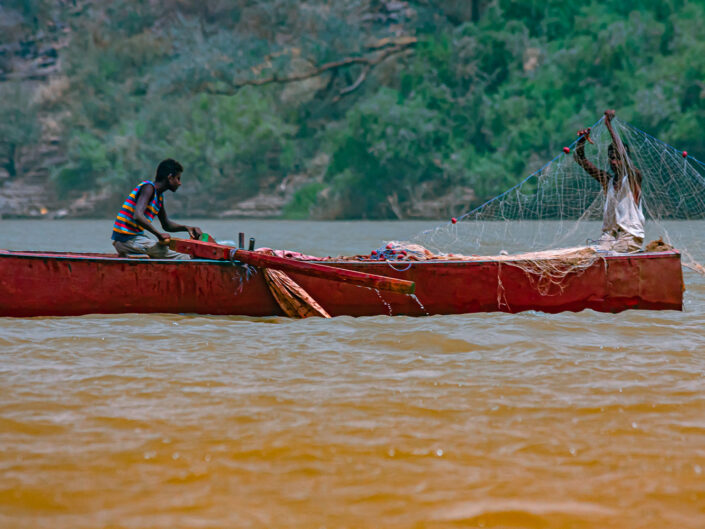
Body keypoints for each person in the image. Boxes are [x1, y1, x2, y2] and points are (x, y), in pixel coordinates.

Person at [573, 109, 644, 252]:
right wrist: (581, 142)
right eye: (611, 158)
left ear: (625, 160)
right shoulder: (607, 180)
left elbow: (623, 155)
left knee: (612, 254)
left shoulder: (633, 178)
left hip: (630, 237)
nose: (614, 162)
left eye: (617, 158)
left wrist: (609, 125)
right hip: (609, 237)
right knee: (593, 255)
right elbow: (581, 160)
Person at [111, 159, 202, 259]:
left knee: (168, 248)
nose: (179, 183)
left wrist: (187, 228)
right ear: (170, 177)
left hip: (135, 240)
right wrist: (158, 235)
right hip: (126, 240)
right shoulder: (148, 188)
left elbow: (166, 224)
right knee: (181, 255)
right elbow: (138, 215)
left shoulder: (159, 197)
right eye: (178, 178)